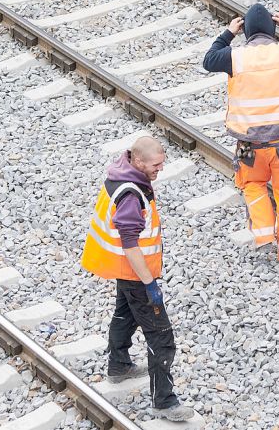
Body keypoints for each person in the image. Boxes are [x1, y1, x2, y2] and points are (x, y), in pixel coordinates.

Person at [81, 137, 194, 422]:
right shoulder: (131, 194)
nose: (161, 169)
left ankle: (119, 366)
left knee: (124, 315)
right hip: (135, 272)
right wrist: (149, 283)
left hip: (124, 269)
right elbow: (130, 242)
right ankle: (165, 402)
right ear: (139, 161)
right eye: (156, 165)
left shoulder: (122, 174)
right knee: (161, 336)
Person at [203, 3, 279, 267]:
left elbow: (208, 60)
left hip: (250, 145)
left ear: (245, 32)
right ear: (272, 29)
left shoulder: (235, 57)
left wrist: (227, 33)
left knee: (253, 186)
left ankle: (264, 232)